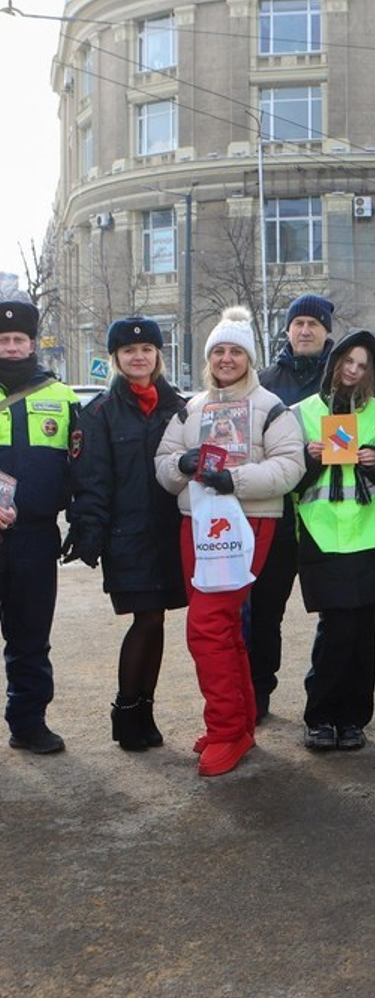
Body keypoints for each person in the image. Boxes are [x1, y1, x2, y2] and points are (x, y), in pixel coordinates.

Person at [156, 306, 305, 776]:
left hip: (249, 521)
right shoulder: (192, 406)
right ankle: (237, 724)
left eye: (235, 351)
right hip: (196, 522)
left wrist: (234, 479)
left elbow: (289, 467)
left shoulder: (271, 407)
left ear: (250, 358)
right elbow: (163, 461)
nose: (226, 358)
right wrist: (182, 466)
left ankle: (225, 731)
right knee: (224, 631)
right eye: (218, 350)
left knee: (207, 627)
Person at [66, 317, 186, 751]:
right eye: (129, 351)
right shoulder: (98, 412)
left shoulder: (180, 406)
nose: (139, 357)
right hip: (127, 534)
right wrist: (90, 532)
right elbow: (91, 480)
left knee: (158, 622)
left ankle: (145, 712)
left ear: (158, 355)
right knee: (146, 619)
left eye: (147, 350)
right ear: (116, 358)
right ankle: (126, 711)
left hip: (172, 532)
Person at [293, 330, 375, 752]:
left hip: (371, 531)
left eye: (363, 365)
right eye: (347, 361)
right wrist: (308, 458)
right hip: (322, 531)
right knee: (335, 627)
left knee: (363, 628)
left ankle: (354, 718)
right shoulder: (300, 413)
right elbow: (288, 481)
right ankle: (321, 715)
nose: (353, 370)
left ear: (373, 372)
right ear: (333, 363)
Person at [0, 300, 79, 754]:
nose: (12, 348)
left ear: (32, 343)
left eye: (19, 340)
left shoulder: (62, 396)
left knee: (31, 636)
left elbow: (80, 467)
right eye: (4, 340)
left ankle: (28, 723)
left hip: (34, 537)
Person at [251, 293, 335, 720]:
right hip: (277, 515)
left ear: (326, 332)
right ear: (287, 330)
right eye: (298, 323)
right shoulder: (265, 381)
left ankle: (322, 695)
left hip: (330, 516)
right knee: (264, 611)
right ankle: (257, 692)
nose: (305, 331)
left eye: (313, 325)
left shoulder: (344, 378)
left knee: (334, 614)